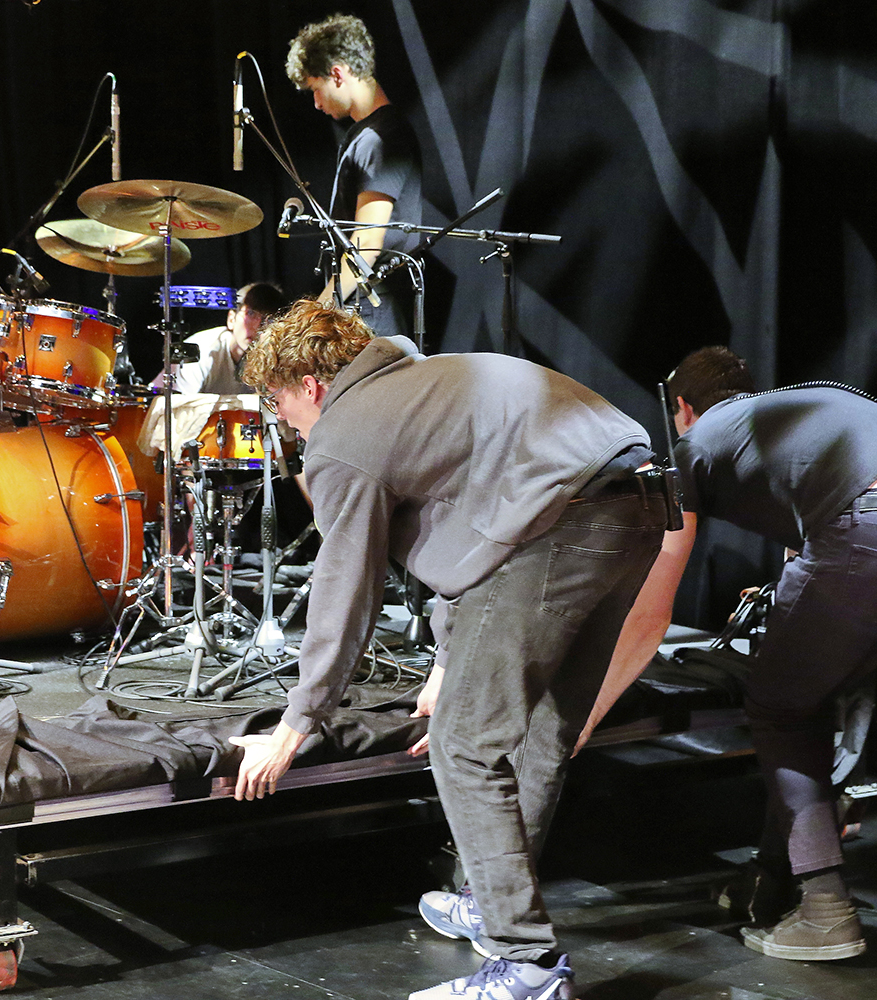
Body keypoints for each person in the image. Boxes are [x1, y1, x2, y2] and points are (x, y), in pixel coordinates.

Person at [231, 302, 666, 1000]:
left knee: (464, 744)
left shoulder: (342, 433)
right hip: (641, 503)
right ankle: (485, 900)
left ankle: (524, 964)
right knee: (545, 730)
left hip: (562, 523)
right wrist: (444, 660)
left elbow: (347, 589)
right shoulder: (426, 380)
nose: (280, 416)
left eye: (277, 398)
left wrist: (297, 724)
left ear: (312, 383)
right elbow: (473, 531)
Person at [580, 346, 877, 961]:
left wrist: (586, 712)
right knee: (820, 694)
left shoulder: (691, 450)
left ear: (681, 408)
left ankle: (825, 911)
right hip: (853, 524)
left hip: (862, 525)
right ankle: (769, 882)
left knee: (782, 708)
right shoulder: (798, 411)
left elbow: (652, 611)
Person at [287, 15, 423, 340]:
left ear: (337, 74)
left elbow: (365, 249)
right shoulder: (364, 136)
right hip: (365, 309)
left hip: (375, 313)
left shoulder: (381, 139)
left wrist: (312, 319)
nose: (316, 103)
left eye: (315, 90)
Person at [153, 283, 288, 394]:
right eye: (250, 313)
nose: (258, 326)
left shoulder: (277, 358)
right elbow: (180, 411)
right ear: (231, 319)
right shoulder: (199, 351)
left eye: (267, 319)